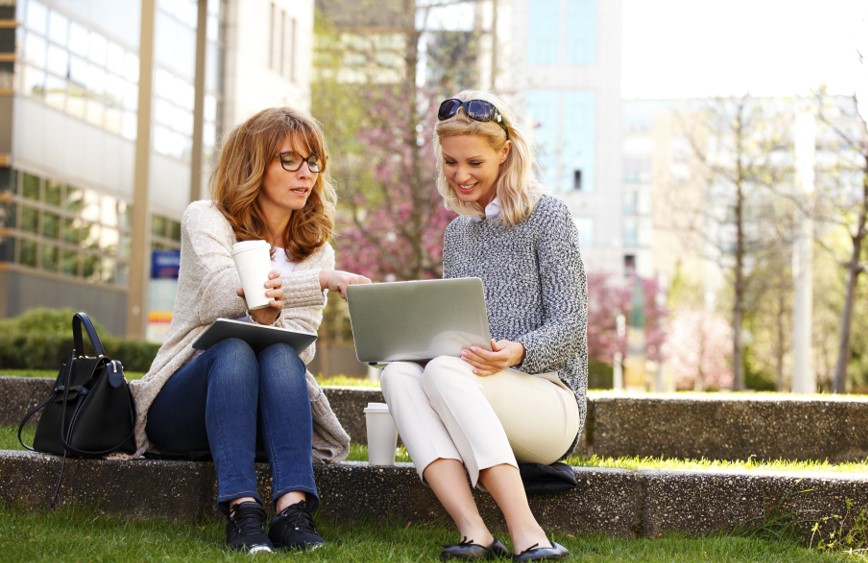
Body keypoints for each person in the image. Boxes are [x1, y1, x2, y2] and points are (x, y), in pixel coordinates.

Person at [129, 107, 370, 553]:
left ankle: (292, 511)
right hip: (186, 404)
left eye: (313, 161)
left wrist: (282, 305)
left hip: (264, 412)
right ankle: (242, 510)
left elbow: (299, 340)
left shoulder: (317, 249)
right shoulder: (207, 219)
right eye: (290, 160)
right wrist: (313, 285)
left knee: (281, 353)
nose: (307, 174)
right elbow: (224, 291)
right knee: (234, 345)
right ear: (253, 166)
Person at [380, 90, 587, 562]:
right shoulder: (458, 232)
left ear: (505, 153)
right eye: (450, 162)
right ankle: (474, 531)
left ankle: (528, 533)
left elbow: (572, 325)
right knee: (397, 374)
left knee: (444, 372)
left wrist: (515, 352)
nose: (461, 175)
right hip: (471, 388)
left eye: (474, 161)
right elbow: (453, 329)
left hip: (548, 401)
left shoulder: (548, 217)